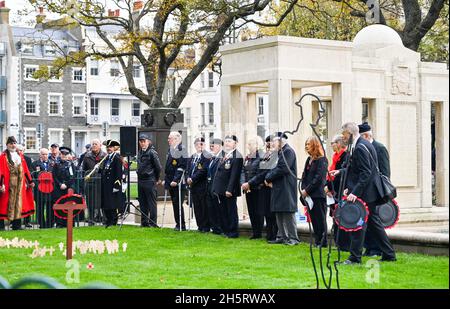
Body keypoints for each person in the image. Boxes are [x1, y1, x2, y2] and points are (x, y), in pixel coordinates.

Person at [330, 122, 396, 264]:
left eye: (344, 135)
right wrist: (341, 172)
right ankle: (389, 254)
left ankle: (355, 257)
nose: (343, 138)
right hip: (368, 192)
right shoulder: (361, 145)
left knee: (357, 223)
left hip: (365, 193)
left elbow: (366, 172)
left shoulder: (360, 147)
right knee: (374, 224)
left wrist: (355, 192)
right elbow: (357, 169)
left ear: (350, 133)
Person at [359, 122, 391, 257]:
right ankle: (370, 248)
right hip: (366, 191)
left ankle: (377, 249)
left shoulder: (379, 148)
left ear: (366, 135)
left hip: (376, 191)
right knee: (367, 221)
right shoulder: (363, 147)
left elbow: (385, 172)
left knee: (374, 221)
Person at [264, 132, 300, 246]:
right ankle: (282, 236)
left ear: (280, 141)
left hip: (286, 186)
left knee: (288, 212)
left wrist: (268, 178)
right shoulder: (279, 152)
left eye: (274, 141)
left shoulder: (288, 151)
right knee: (278, 211)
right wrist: (268, 178)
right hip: (278, 186)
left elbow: (283, 168)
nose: (272, 144)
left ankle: (293, 238)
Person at [246, 135, 278, 241]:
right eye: (267, 143)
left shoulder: (272, 155)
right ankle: (269, 235)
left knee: (270, 213)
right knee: (266, 213)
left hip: (267, 186)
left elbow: (266, 171)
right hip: (262, 185)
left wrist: (265, 180)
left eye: (271, 142)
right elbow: (261, 170)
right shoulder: (266, 155)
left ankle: (273, 235)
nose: (269, 145)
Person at [0, 136, 35, 231]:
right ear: (7, 145)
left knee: (19, 204)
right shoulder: (3, 157)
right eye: (11, 143)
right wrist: (1, 184)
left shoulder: (20, 156)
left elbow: (26, 170)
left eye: (14, 143)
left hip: (19, 185)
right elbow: (1, 171)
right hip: (7, 185)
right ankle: (1, 226)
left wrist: (30, 181)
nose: (13, 145)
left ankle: (17, 226)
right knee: (4, 205)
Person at [212, 135, 243, 238]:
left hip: (229, 189)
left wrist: (229, 189)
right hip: (221, 189)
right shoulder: (225, 155)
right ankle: (226, 231)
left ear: (235, 143)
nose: (227, 143)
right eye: (226, 141)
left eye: (230, 141)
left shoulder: (237, 156)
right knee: (223, 210)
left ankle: (233, 232)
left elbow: (234, 175)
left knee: (231, 210)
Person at [300, 136, 329, 247]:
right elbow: (304, 176)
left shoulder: (322, 160)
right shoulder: (309, 159)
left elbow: (319, 178)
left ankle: (323, 242)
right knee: (314, 219)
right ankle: (317, 241)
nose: (306, 146)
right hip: (309, 195)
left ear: (315, 145)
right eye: (306, 144)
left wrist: (307, 190)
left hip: (318, 195)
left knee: (320, 219)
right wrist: (303, 189)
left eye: (309, 144)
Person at [325, 134, 350, 250]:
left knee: (341, 217)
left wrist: (330, 187)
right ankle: (338, 242)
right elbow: (330, 174)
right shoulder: (335, 156)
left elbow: (341, 176)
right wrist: (327, 187)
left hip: (341, 191)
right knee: (335, 217)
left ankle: (343, 244)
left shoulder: (346, 156)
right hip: (333, 192)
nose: (331, 145)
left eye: (332, 143)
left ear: (339, 144)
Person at [164, 131, 188, 231]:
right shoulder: (170, 150)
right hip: (170, 181)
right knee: (174, 203)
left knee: (178, 204)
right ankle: (178, 223)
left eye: (170, 138)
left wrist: (175, 180)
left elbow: (181, 167)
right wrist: (166, 181)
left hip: (178, 182)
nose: (168, 140)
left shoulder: (181, 150)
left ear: (177, 139)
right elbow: (168, 168)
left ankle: (181, 225)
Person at [137, 133, 162, 227]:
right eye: (141, 141)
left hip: (149, 180)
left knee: (151, 203)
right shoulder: (140, 152)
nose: (142, 143)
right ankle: (144, 222)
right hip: (141, 180)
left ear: (148, 142)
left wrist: (156, 178)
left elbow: (158, 167)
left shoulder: (152, 152)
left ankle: (153, 222)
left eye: (144, 141)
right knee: (142, 202)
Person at [241, 137, 264, 239]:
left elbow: (260, 174)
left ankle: (258, 232)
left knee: (258, 211)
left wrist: (249, 183)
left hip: (257, 188)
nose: (248, 146)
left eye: (250, 144)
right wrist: (243, 183)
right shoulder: (248, 158)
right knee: (251, 210)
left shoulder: (262, 156)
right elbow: (242, 171)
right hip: (247, 188)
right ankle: (255, 232)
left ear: (257, 145)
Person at [187, 137, 211, 232]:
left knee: (203, 206)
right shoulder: (192, 157)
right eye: (197, 144)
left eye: (201, 144)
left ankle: (205, 226)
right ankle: (199, 225)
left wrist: (192, 179)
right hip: (193, 186)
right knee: (196, 206)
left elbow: (203, 170)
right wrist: (188, 178)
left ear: (204, 145)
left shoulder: (207, 156)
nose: (199, 146)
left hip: (202, 185)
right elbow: (188, 169)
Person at [99, 140, 123, 228]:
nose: (109, 149)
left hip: (113, 184)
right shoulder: (107, 158)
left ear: (114, 148)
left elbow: (118, 172)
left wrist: (117, 185)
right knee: (106, 203)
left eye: (110, 147)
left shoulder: (116, 158)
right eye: (107, 147)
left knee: (112, 203)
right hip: (106, 184)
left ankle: (113, 221)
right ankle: (108, 220)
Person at [82, 139, 106, 225]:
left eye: (96, 144)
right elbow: (83, 170)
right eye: (93, 144)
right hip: (90, 182)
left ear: (100, 145)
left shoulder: (105, 156)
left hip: (101, 182)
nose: (94, 145)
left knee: (102, 201)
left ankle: (104, 219)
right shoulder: (87, 156)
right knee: (90, 202)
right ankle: (91, 219)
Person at [52, 147, 77, 228]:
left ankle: (69, 222)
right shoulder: (56, 164)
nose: (64, 156)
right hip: (59, 188)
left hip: (68, 188)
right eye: (62, 154)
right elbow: (54, 176)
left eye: (66, 154)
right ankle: (60, 223)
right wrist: (60, 184)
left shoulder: (70, 164)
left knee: (68, 205)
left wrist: (66, 184)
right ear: (60, 154)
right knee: (59, 205)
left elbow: (73, 177)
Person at [31, 148, 55, 228]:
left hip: (50, 190)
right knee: (40, 208)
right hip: (39, 190)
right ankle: (42, 224)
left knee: (50, 208)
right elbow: (32, 176)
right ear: (40, 155)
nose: (45, 156)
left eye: (46, 154)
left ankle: (50, 224)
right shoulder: (34, 164)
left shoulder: (52, 163)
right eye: (43, 154)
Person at [206, 138, 224, 235]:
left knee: (217, 208)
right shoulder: (212, 158)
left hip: (216, 186)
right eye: (211, 146)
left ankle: (219, 228)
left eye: (214, 145)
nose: (212, 147)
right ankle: (215, 227)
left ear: (220, 146)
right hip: (209, 186)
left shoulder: (221, 157)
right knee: (211, 208)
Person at [17, 144, 34, 228]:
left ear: (23, 151)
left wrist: (28, 183)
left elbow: (29, 171)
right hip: (17, 185)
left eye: (21, 150)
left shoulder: (27, 159)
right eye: (18, 150)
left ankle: (27, 222)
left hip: (26, 185)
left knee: (27, 203)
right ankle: (16, 223)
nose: (19, 152)